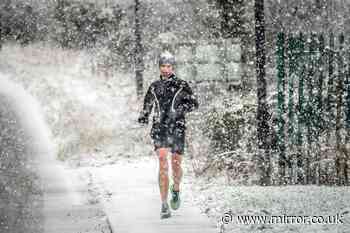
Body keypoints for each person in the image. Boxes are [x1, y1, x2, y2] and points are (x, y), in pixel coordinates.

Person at [138, 51, 199, 219]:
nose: (166, 69)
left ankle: (176, 189)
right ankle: (164, 204)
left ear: (173, 67)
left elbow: (194, 104)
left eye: (169, 66)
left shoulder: (181, 85)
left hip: (177, 128)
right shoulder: (154, 86)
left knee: (176, 164)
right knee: (163, 163)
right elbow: (147, 105)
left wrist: (178, 111)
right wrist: (144, 116)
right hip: (159, 128)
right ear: (159, 67)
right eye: (163, 66)